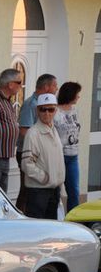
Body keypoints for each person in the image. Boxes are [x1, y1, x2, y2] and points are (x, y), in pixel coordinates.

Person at [17, 74, 58, 211]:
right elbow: (24, 130)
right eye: (54, 85)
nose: (56, 88)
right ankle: (21, 220)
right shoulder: (31, 104)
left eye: (51, 110)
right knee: (27, 191)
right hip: (29, 153)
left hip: (42, 156)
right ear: (46, 87)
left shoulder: (47, 106)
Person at [21, 93, 64, 220]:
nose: (47, 113)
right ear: (37, 111)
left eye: (50, 109)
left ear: (55, 110)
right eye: (43, 109)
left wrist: (58, 179)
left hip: (53, 189)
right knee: (37, 229)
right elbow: (27, 164)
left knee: (51, 229)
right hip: (38, 190)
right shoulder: (33, 133)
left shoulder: (53, 130)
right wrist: (45, 178)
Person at [0, 68, 23, 192]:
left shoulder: (7, 100)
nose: (21, 86)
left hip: (6, 154)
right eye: (19, 82)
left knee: (2, 190)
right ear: (10, 84)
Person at [54, 81, 82, 212]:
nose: (78, 97)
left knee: (74, 191)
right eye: (77, 94)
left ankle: (73, 221)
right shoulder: (55, 112)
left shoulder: (74, 110)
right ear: (70, 94)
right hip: (59, 156)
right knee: (56, 191)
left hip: (73, 156)